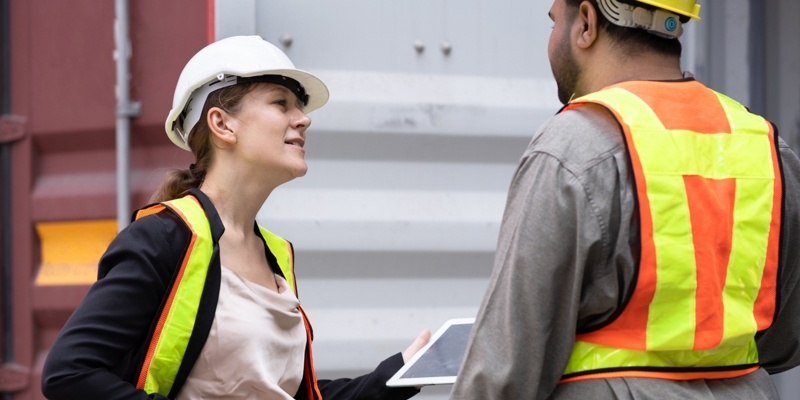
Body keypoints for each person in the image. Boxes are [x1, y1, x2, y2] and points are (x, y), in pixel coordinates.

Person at [41, 35, 431, 400]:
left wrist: (398, 375)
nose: (304, 119)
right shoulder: (163, 237)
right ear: (222, 124)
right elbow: (70, 372)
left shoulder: (275, 255)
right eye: (282, 103)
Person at [450, 0, 800, 399]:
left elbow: (504, 373)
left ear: (586, 22)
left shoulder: (573, 147)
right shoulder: (765, 146)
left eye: (554, 22)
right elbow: (785, 338)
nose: (550, 39)